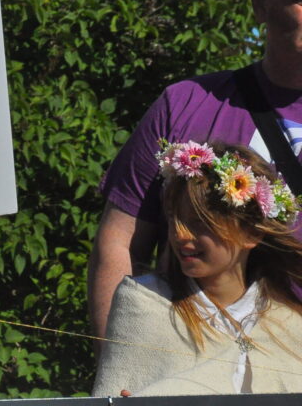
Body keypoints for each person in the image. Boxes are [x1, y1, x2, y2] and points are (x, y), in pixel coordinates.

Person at [88, 0, 302, 340]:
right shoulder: (186, 105)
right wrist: (119, 361)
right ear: (261, 1)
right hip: (197, 358)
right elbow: (120, 244)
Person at [93, 140, 302, 396]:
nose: (180, 235)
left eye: (199, 222)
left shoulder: (289, 324)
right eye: (174, 219)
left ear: (251, 233)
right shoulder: (144, 302)